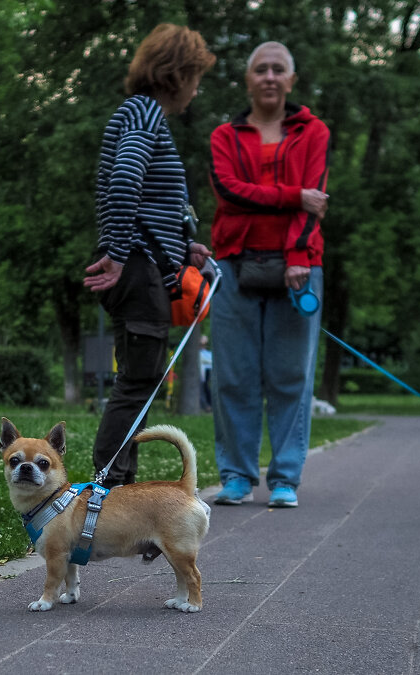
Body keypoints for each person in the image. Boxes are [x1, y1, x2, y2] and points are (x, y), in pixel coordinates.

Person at [84, 23, 215, 487]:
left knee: (141, 380)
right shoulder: (144, 113)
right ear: (177, 74)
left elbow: (144, 203)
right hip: (135, 269)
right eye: (196, 76)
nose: (197, 89)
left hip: (142, 262)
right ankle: (110, 491)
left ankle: (113, 488)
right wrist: (120, 255)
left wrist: (183, 246)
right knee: (138, 382)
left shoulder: (139, 114)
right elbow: (124, 182)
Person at [207, 41, 330, 508]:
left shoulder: (313, 131)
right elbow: (228, 192)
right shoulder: (225, 135)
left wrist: (298, 251)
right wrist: (293, 195)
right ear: (248, 80)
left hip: (299, 268)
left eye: (279, 69)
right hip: (235, 264)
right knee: (233, 376)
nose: (270, 77)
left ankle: (284, 479)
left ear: (292, 80)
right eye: (261, 69)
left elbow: (315, 196)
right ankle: (237, 476)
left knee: (289, 376)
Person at [199, 335, 213, 412]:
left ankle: (208, 405)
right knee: (203, 388)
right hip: (201, 373)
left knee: (206, 388)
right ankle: (206, 406)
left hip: (207, 372)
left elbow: (210, 361)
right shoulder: (198, 352)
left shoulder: (208, 353)